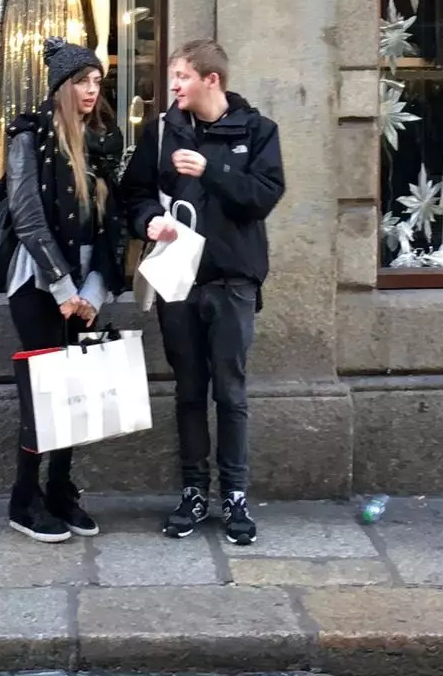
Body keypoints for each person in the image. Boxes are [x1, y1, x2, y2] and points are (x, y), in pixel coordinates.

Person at [121, 38, 285, 546]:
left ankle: (235, 495)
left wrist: (212, 172)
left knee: (230, 392)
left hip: (233, 282)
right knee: (189, 391)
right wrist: (148, 222)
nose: (174, 86)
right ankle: (194, 491)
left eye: (183, 77)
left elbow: (263, 197)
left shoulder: (258, 131)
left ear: (212, 80)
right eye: (173, 77)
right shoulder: (162, 132)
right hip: (178, 282)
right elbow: (134, 194)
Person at [3, 37, 127, 543]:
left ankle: (59, 489)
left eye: (98, 81)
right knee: (44, 390)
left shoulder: (103, 143)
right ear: (62, 86)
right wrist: (62, 287)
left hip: (83, 286)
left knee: (75, 392)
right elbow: (27, 215)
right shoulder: (28, 136)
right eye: (83, 82)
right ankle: (24, 497)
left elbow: (110, 228)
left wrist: (93, 293)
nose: (93, 90)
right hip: (37, 281)